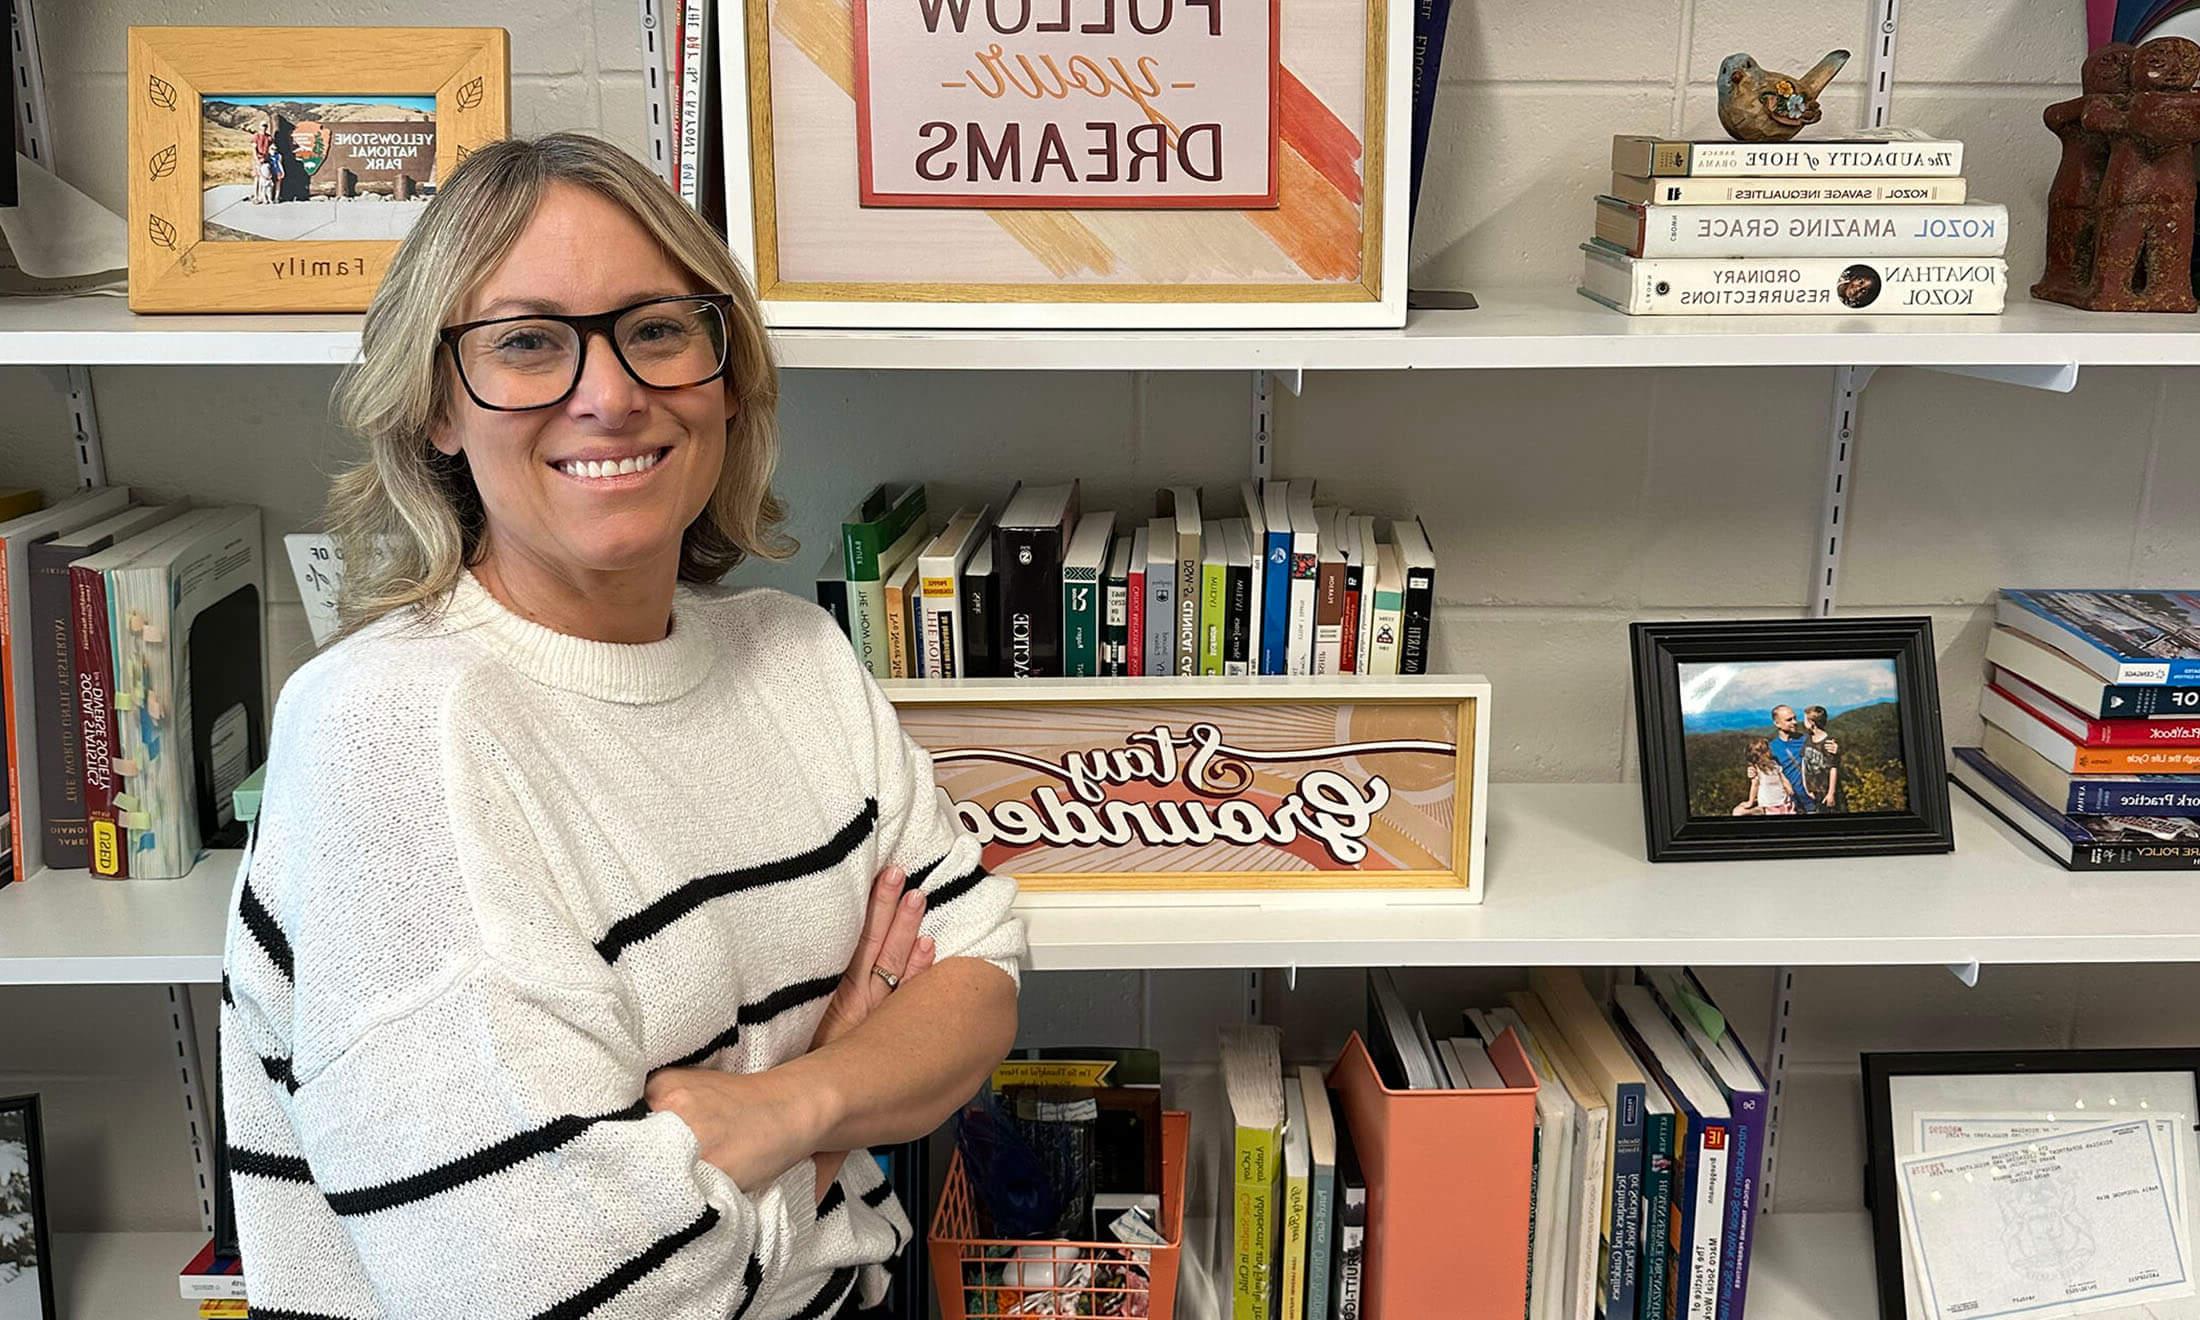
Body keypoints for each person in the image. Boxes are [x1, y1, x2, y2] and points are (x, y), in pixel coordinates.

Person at [218, 132, 1023, 1320]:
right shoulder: (385, 735)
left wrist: (785, 1106)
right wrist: (848, 1106)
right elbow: (565, 1292)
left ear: (724, 368)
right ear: (436, 407)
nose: (610, 393)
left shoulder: (794, 657)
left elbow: (982, 978)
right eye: (528, 343)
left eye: (656, 328)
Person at [1767, 704, 1815, 814]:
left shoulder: (1806, 740)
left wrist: (1834, 751)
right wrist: (1752, 771)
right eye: (1789, 720)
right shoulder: (1771, 748)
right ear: (1777, 723)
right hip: (1791, 805)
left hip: (1812, 800)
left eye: (1795, 718)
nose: (1794, 722)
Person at [1733, 737, 1796, 815]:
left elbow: (1782, 777)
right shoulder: (1757, 769)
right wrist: (1750, 801)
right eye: (1767, 749)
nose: (1770, 751)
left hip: (1783, 800)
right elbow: (1755, 785)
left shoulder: (1774, 764)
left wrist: (1789, 787)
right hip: (1769, 803)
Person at [1803, 704, 1845, 812]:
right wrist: (1807, 787)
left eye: (1805, 720)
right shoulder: (1808, 739)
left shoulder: (1828, 743)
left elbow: (1833, 768)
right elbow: (1805, 763)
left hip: (1827, 790)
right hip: (1815, 791)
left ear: (1812, 723)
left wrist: (1831, 793)